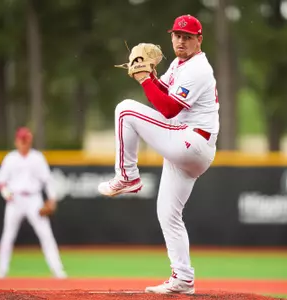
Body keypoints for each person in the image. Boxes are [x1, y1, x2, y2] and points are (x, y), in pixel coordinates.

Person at [98, 14, 219, 294]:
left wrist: (143, 79)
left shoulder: (198, 68)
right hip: (189, 148)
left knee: (125, 109)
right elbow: (163, 91)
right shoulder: (179, 64)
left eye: (188, 37)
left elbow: (168, 109)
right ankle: (183, 279)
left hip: (190, 141)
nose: (181, 40)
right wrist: (151, 76)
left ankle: (127, 176)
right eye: (177, 35)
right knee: (168, 214)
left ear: (199, 40)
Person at [0, 127, 67, 279]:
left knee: (46, 235)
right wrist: (6, 194)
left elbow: (47, 180)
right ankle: (1, 270)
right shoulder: (10, 158)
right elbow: (1, 181)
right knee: (8, 235)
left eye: (26, 140)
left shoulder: (37, 157)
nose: (24, 143)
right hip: (15, 199)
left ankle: (58, 270)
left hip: (34, 199)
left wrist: (52, 199)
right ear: (16, 141)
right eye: (22, 140)